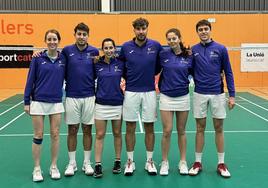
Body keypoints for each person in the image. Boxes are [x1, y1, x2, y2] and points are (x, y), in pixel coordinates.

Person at [188, 19, 235, 178]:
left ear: (210, 30)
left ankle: (221, 164)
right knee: (199, 128)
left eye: (205, 29)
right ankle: (197, 162)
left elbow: (228, 72)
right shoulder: (193, 50)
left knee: (219, 128)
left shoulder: (221, 49)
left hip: (218, 93)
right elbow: (190, 70)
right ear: (197, 32)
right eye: (200, 29)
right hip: (200, 93)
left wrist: (232, 95)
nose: (203, 32)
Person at [119, 17, 163, 176]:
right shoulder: (125, 47)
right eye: (138, 29)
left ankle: (149, 161)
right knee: (129, 126)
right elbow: (121, 67)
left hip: (150, 91)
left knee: (149, 126)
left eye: (143, 28)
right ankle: (130, 161)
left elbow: (158, 67)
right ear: (134, 30)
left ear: (147, 28)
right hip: (131, 91)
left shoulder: (156, 46)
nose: (141, 31)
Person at [24, 29, 64, 182]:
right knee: (38, 135)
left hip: (56, 101)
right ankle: (37, 168)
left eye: (55, 39)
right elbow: (30, 79)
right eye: (49, 39)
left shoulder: (63, 59)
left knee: (55, 134)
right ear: (45, 41)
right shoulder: (37, 58)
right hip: (38, 101)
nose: (52, 41)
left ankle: (54, 166)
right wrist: (26, 101)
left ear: (58, 41)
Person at [62, 23, 99, 176]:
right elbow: (60, 66)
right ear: (75, 34)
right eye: (79, 34)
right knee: (72, 129)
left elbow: (97, 72)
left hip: (89, 96)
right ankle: (72, 163)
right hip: (72, 96)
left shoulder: (94, 51)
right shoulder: (66, 51)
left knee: (87, 129)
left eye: (84, 34)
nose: (81, 37)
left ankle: (86, 163)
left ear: (87, 36)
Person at [158, 28, 193, 176]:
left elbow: (196, 72)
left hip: (183, 97)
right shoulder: (163, 55)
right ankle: (164, 162)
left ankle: (183, 161)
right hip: (166, 97)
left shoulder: (189, 56)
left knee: (181, 130)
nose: (172, 41)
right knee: (167, 130)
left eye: (174, 38)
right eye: (169, 39)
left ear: (179, 38)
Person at [93, 38, 124, 178]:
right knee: (100, 134)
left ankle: (117, 161)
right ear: (102, 50)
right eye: (106, 48)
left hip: (117, 103)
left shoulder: (121, 64)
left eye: (111, 47)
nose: (109, 50)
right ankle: (98, 164)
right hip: (100, 104)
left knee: (117, 133)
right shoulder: (96, 64)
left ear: (115, 49)